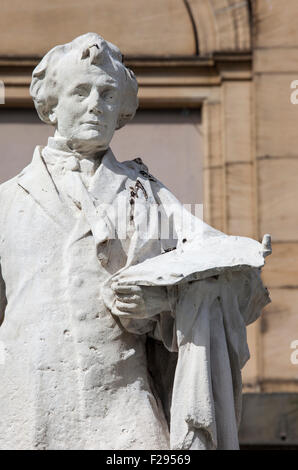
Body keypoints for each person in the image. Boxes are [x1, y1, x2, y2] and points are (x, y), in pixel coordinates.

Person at [0, 33, 270, 450]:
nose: (96, 104)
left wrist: (167, 304)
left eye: (108, 93)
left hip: (124, 409)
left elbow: (234, 280)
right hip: (27, 407)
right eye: (81, 91)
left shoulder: (151, 196)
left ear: (122, 110)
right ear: (51, 105)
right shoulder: (6, 202)